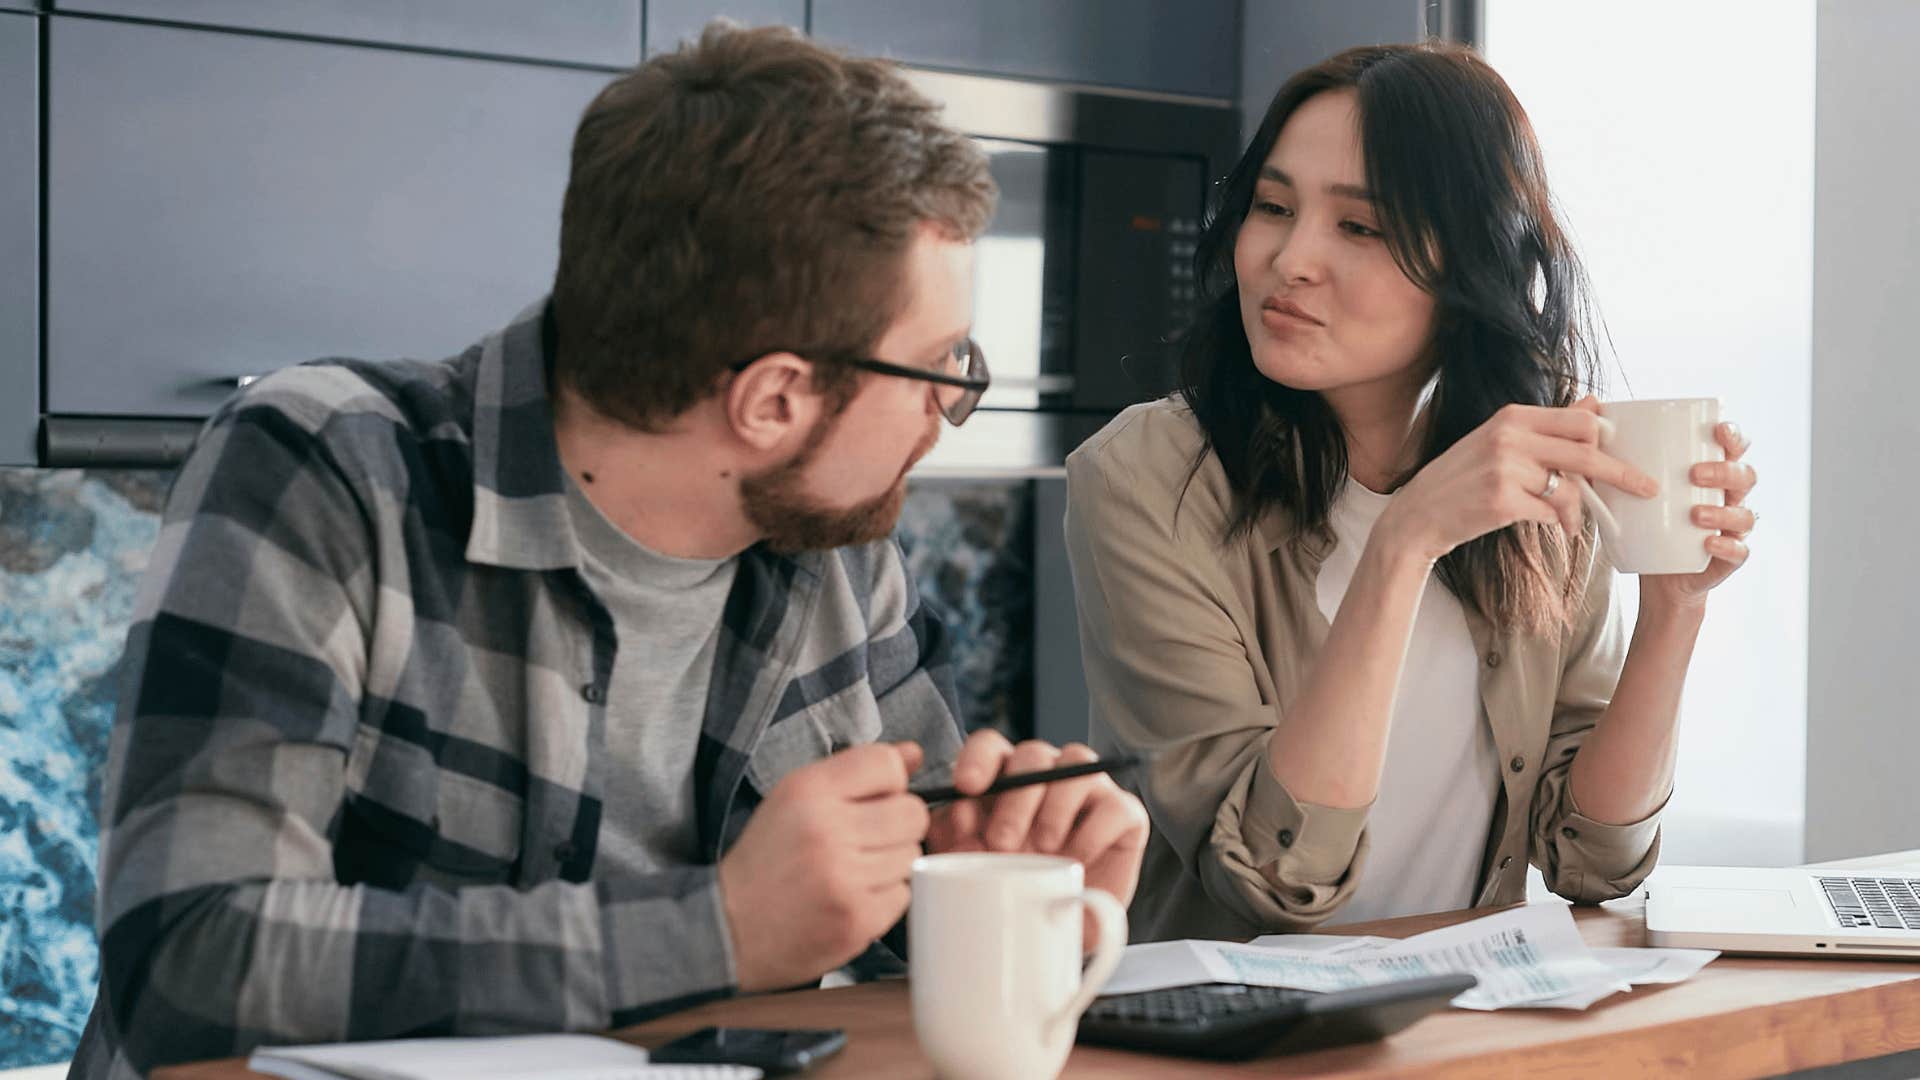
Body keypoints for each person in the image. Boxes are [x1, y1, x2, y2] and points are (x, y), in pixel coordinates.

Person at [72, 23, 1147, 1076]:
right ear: (773, 399)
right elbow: (190, 960)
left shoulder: (834, 545)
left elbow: (890, 915)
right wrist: (714, 929)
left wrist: (996, 884)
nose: (951, 407)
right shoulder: (330, 470)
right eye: (938, 366)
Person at [1063, 41, 1757, 943]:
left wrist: (1672, 613)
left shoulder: (1535, 480)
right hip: (1246, 1045)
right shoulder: (1144, 478)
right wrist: (1405, 541)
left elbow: (1593, 860)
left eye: (1361, 228)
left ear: (1472, 268)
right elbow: (1273, 875)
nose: (1291, 258)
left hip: (1466, 1030)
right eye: (1272, 207)